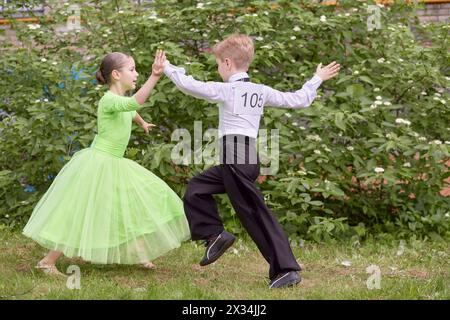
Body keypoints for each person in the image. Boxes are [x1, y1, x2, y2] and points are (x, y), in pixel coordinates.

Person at [162, 34, 340, 288]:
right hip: (243, 158)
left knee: (256, 215)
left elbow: (191, 85)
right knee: (197, 188)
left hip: (236, 158)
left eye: (217, 64)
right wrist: (316, 79)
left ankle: (287, 269)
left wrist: (167, 67)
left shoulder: (228, 90)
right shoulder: (260, 91)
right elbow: (298, 99)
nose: (217, 69)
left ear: (226, 62)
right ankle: (215, 236)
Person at [23, 50, 190, 276]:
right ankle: (47, 261)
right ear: (116, 75)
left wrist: (141, 122)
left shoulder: (118, 101)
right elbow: (135, 102)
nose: (136, 73)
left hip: (115, 162)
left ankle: (138, 253)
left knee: (128, 206)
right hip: (100, 163)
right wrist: (155, 76)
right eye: (131, 69)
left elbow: (131, 111)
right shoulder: (109, 100)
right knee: (83, 211)